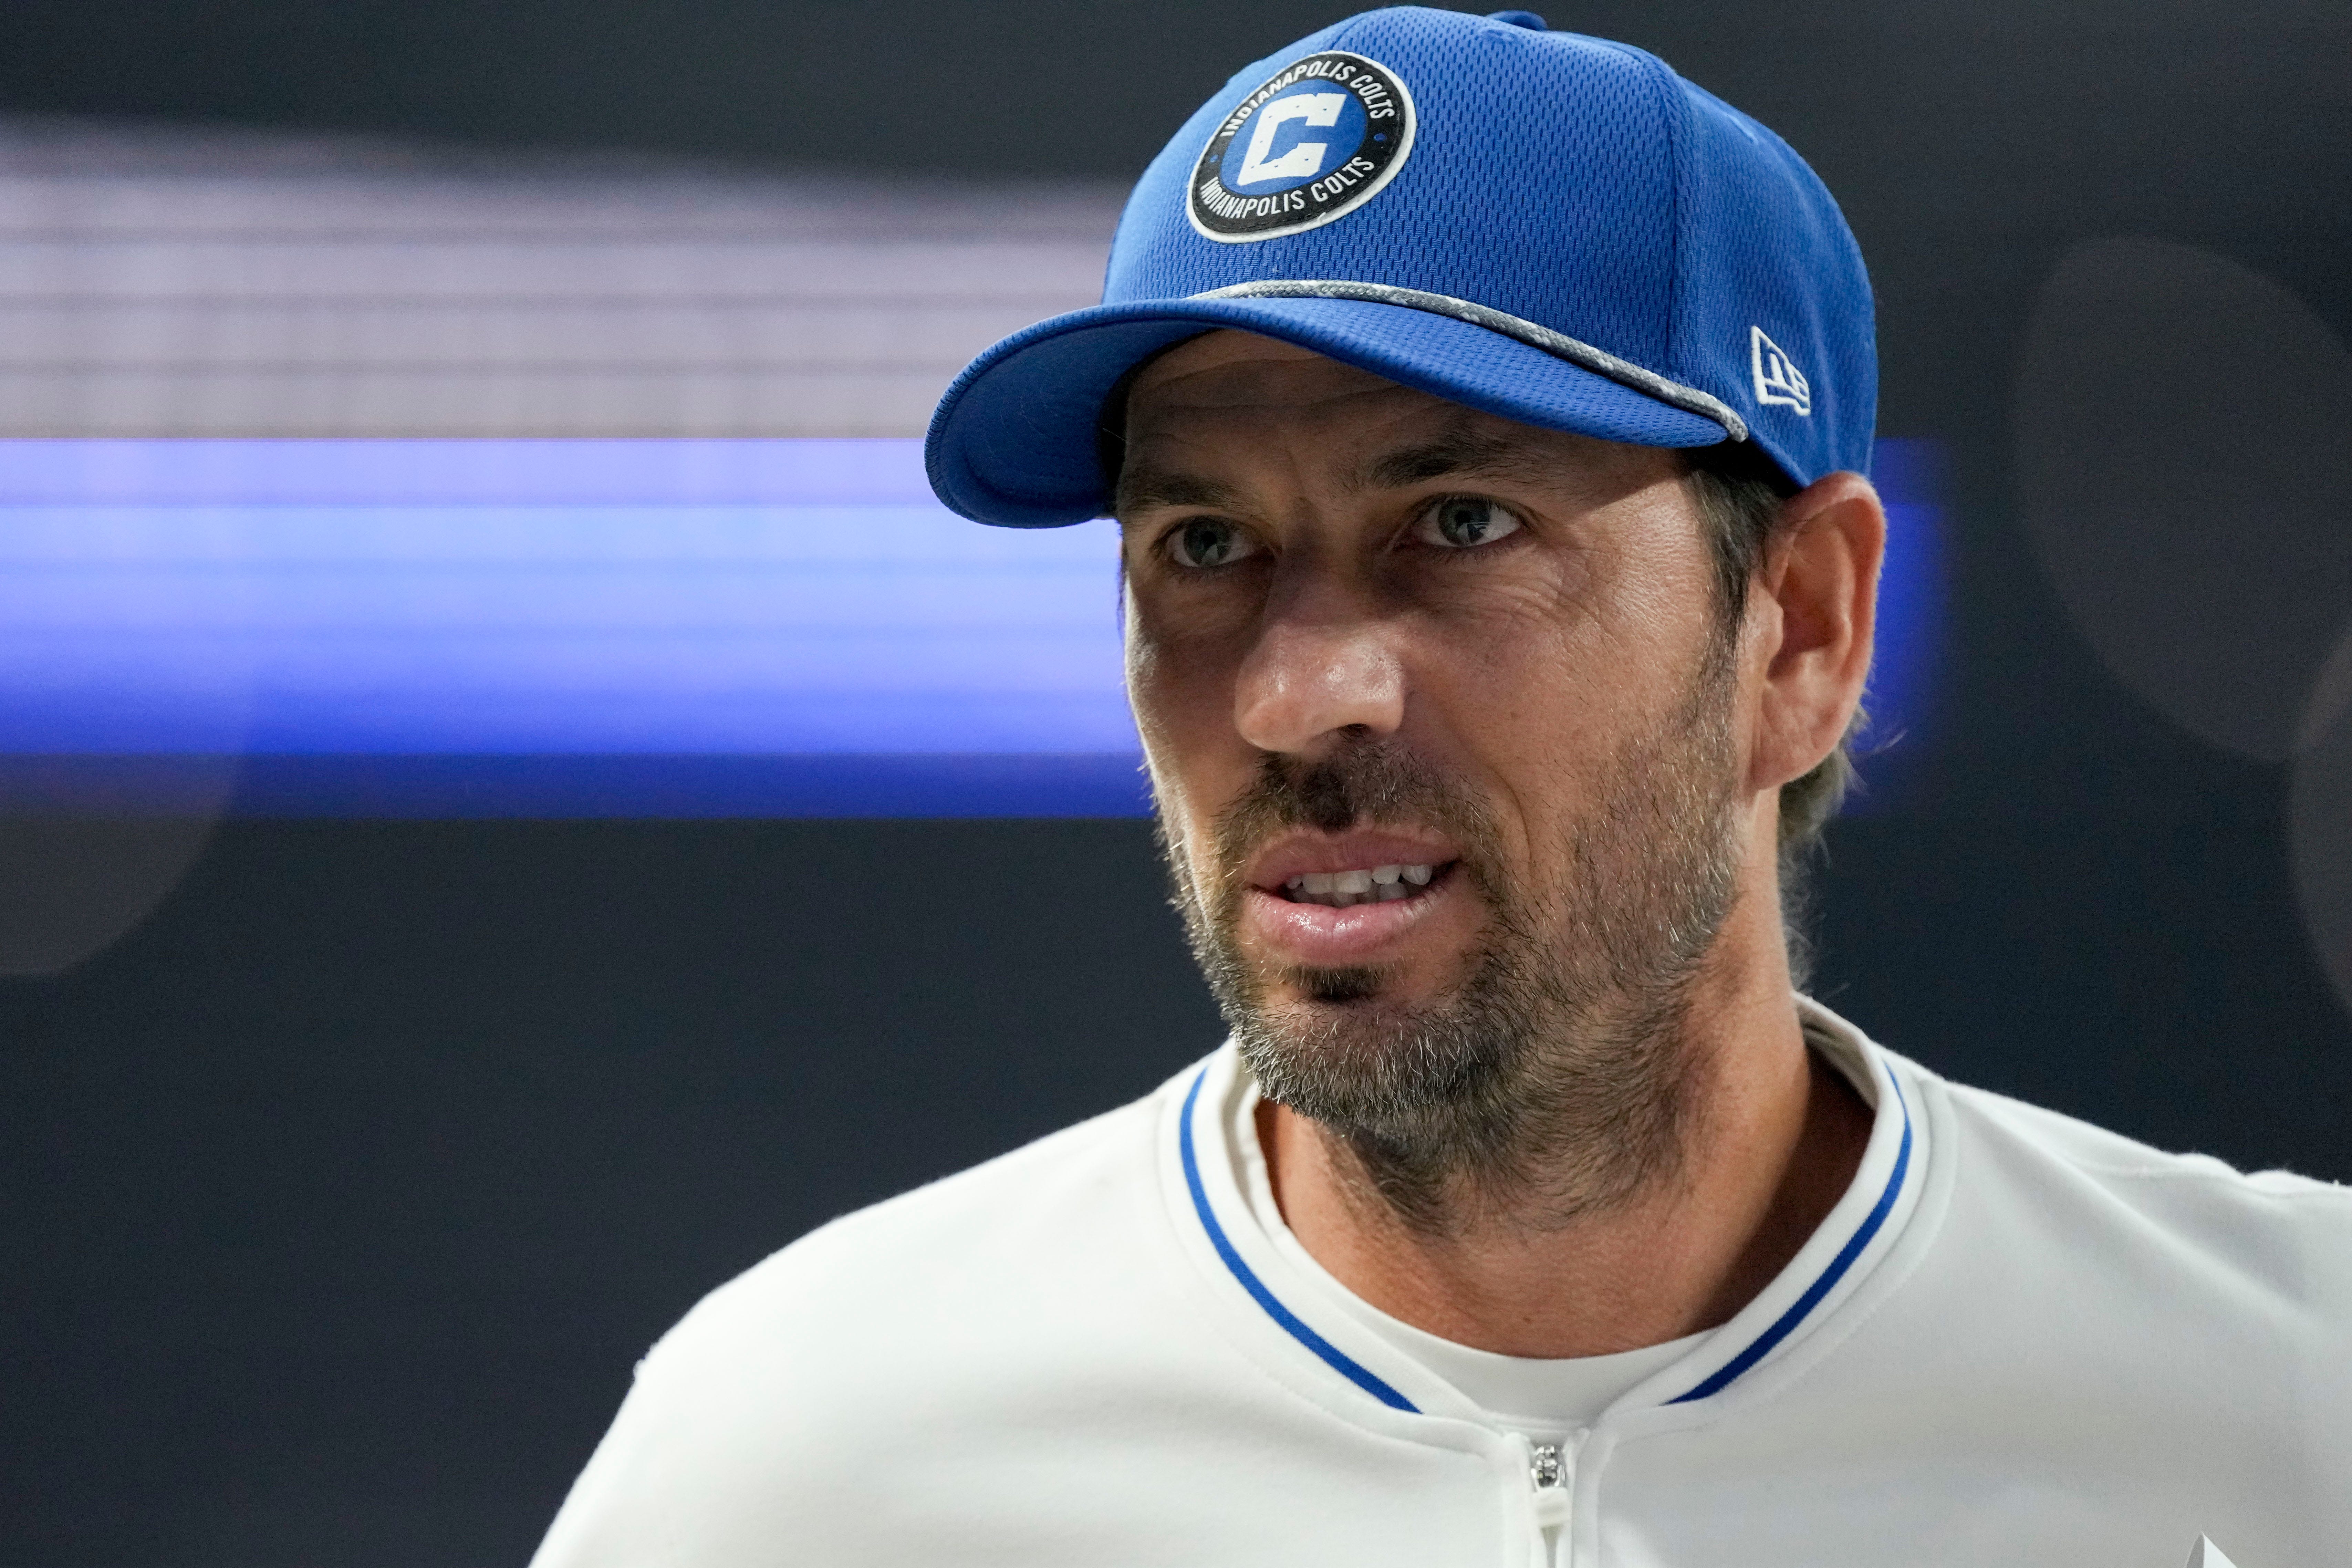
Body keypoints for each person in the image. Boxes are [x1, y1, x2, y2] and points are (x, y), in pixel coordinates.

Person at [531, 11, 2351, 1565]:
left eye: (1462, 522)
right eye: (1203, 543)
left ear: (1800, 628)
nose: (1296, 694)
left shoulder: (2294, 1400)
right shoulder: (809, 1462)